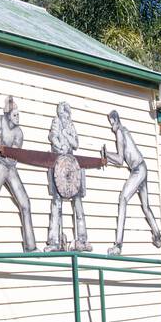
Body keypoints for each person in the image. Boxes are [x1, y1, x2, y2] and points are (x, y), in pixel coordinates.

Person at [0, 97, 37, 252]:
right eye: (14, 114)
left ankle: (30, 246)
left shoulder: (19, 132)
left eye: (18, 114)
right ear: (8, 114)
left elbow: (15, 155)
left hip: (10, 167)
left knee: (25, 203)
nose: (17, 117)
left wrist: (5, 152)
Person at [101, 109, 161, 255]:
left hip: (137, 170)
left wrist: (106, 154)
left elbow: (120, 160)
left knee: (123, 199)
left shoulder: (119, 132)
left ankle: (118, 245)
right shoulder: (125, 130)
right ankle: (157, 236)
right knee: (146, 206)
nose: (111, 127)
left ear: (116, 121)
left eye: (112, 123)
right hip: (142, 167)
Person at [46, 101, 91, 252]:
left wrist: (66, 136)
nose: (65, 116)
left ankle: (82, 240)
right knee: (56, 203)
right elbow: (52, 136)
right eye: (62, 113)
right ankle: (54, 241)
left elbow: (76, 143)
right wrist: (60, 146)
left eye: (67, 114)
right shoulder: (56, 122)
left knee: (78, 202)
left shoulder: (70, 125)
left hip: (71, 164)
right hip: (58, 163)